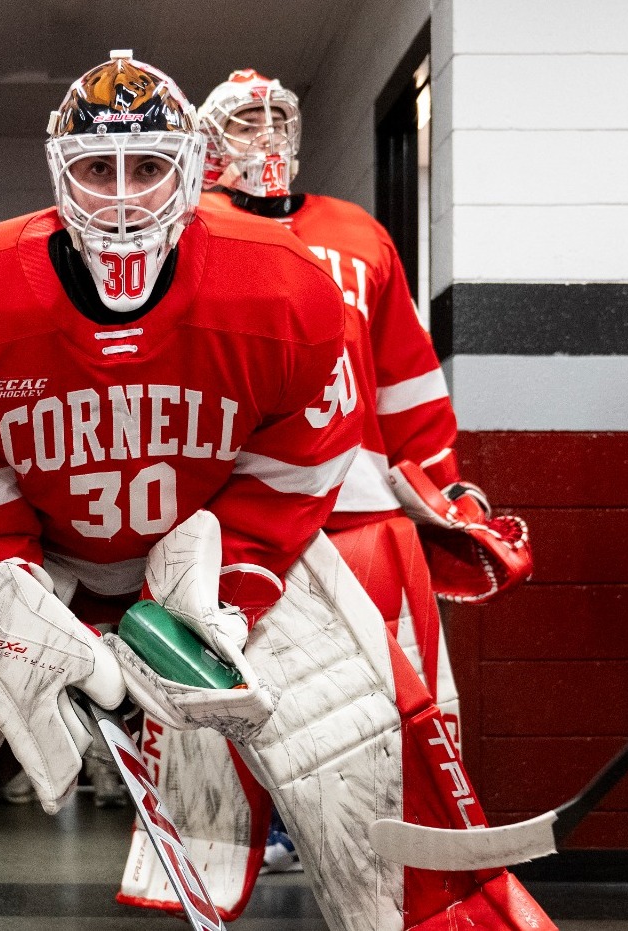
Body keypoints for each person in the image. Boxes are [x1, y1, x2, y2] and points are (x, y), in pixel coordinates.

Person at [0, 49, 554, 931]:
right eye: (100, 168)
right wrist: (4, 590)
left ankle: (447, 917)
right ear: (62, 176)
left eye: (149, 167)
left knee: (356, 736)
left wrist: (235, 579)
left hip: (203, 541)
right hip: (21, 544)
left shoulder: (284, 284)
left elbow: (304, 449)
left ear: (188, 172)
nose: (127, 196)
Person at [116, 67, 535, 913]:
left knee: (399, 700)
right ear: (206, 140)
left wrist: (445, 486)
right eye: (242, 121)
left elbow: (406, 383)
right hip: (241, 513)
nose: (264, 135)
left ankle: (409, 876)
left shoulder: (359, 233)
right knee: (227, 699)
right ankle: (224, 853)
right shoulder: (183, 230)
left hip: (362, 510)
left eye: (276, 116)